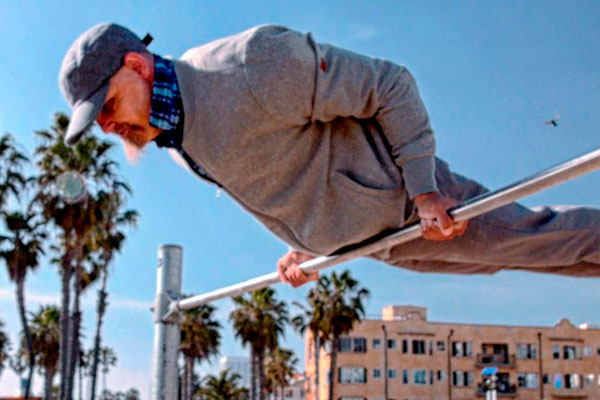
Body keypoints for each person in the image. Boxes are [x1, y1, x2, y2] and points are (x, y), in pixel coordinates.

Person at [59, 23, 600, 287]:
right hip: (376, 244)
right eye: (97, 122)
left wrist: (423, 187)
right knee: (531, 258)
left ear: (139, 64)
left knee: (540, 238)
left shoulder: (251, 64)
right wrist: (303, 249)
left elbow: (390, 84)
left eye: (105, 106)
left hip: (412, 206)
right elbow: (282, 177)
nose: (108, 126)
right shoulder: (176, 141)